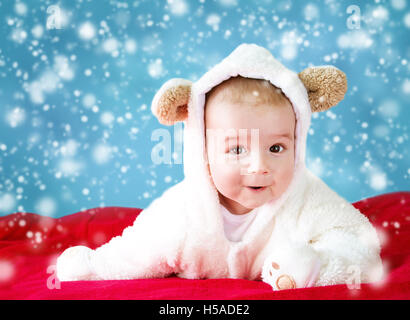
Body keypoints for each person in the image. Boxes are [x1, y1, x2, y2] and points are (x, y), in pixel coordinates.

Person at [56, 43, 383, 290]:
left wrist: (315, 266)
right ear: (203, 152)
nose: (260, 165)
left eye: (276, 147)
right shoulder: (181, 213)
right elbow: (134, 254)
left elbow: (357, 243)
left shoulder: (305, 197)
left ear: (297, 146)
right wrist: (92, 267)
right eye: (237, 148)